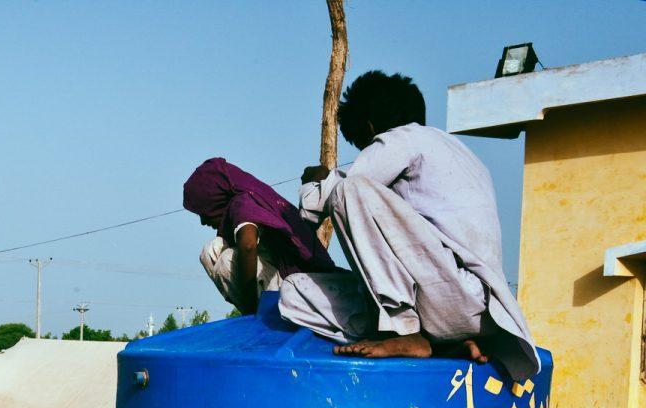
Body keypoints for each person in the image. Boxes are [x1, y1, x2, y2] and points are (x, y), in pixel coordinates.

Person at [277, 70, 540, 381]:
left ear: (370, 128)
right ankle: (440, 345)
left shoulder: (404, 138)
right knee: (293, 292)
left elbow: (329, 198)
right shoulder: (465, 156)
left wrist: (315, 180)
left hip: (453, 292)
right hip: (470, 313)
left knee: (349, 190)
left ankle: (403, 330)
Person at [183, 158, 336, 314]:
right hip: (294, 279)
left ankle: (257, 313)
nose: (203, 221)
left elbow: (248, 246)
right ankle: (258, 310)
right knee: (212, 250)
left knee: (226, 261)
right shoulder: (252, 199)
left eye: (203, 212)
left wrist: (250, 308)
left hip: (306, 287)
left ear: (214, 201)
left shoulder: (242, 203)